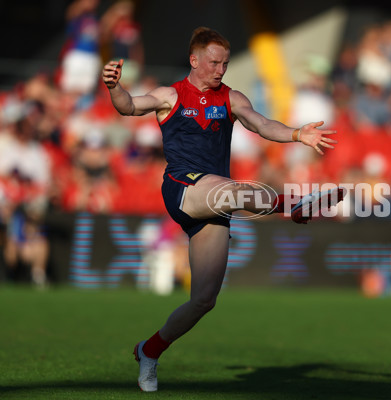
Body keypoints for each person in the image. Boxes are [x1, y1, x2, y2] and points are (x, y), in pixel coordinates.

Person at [101, 26, 344, 392]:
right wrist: (113, 86)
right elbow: (129, 106)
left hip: (217, 199)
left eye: (225, 63)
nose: (220, 70)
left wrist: (297, 134)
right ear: (194, 59)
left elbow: (261, 124)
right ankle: (294, 204)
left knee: (203, 300)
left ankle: (148, 351)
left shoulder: (231, 98)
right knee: (229, 190)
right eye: (214, 62)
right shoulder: (170, 95)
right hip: (184, 188)